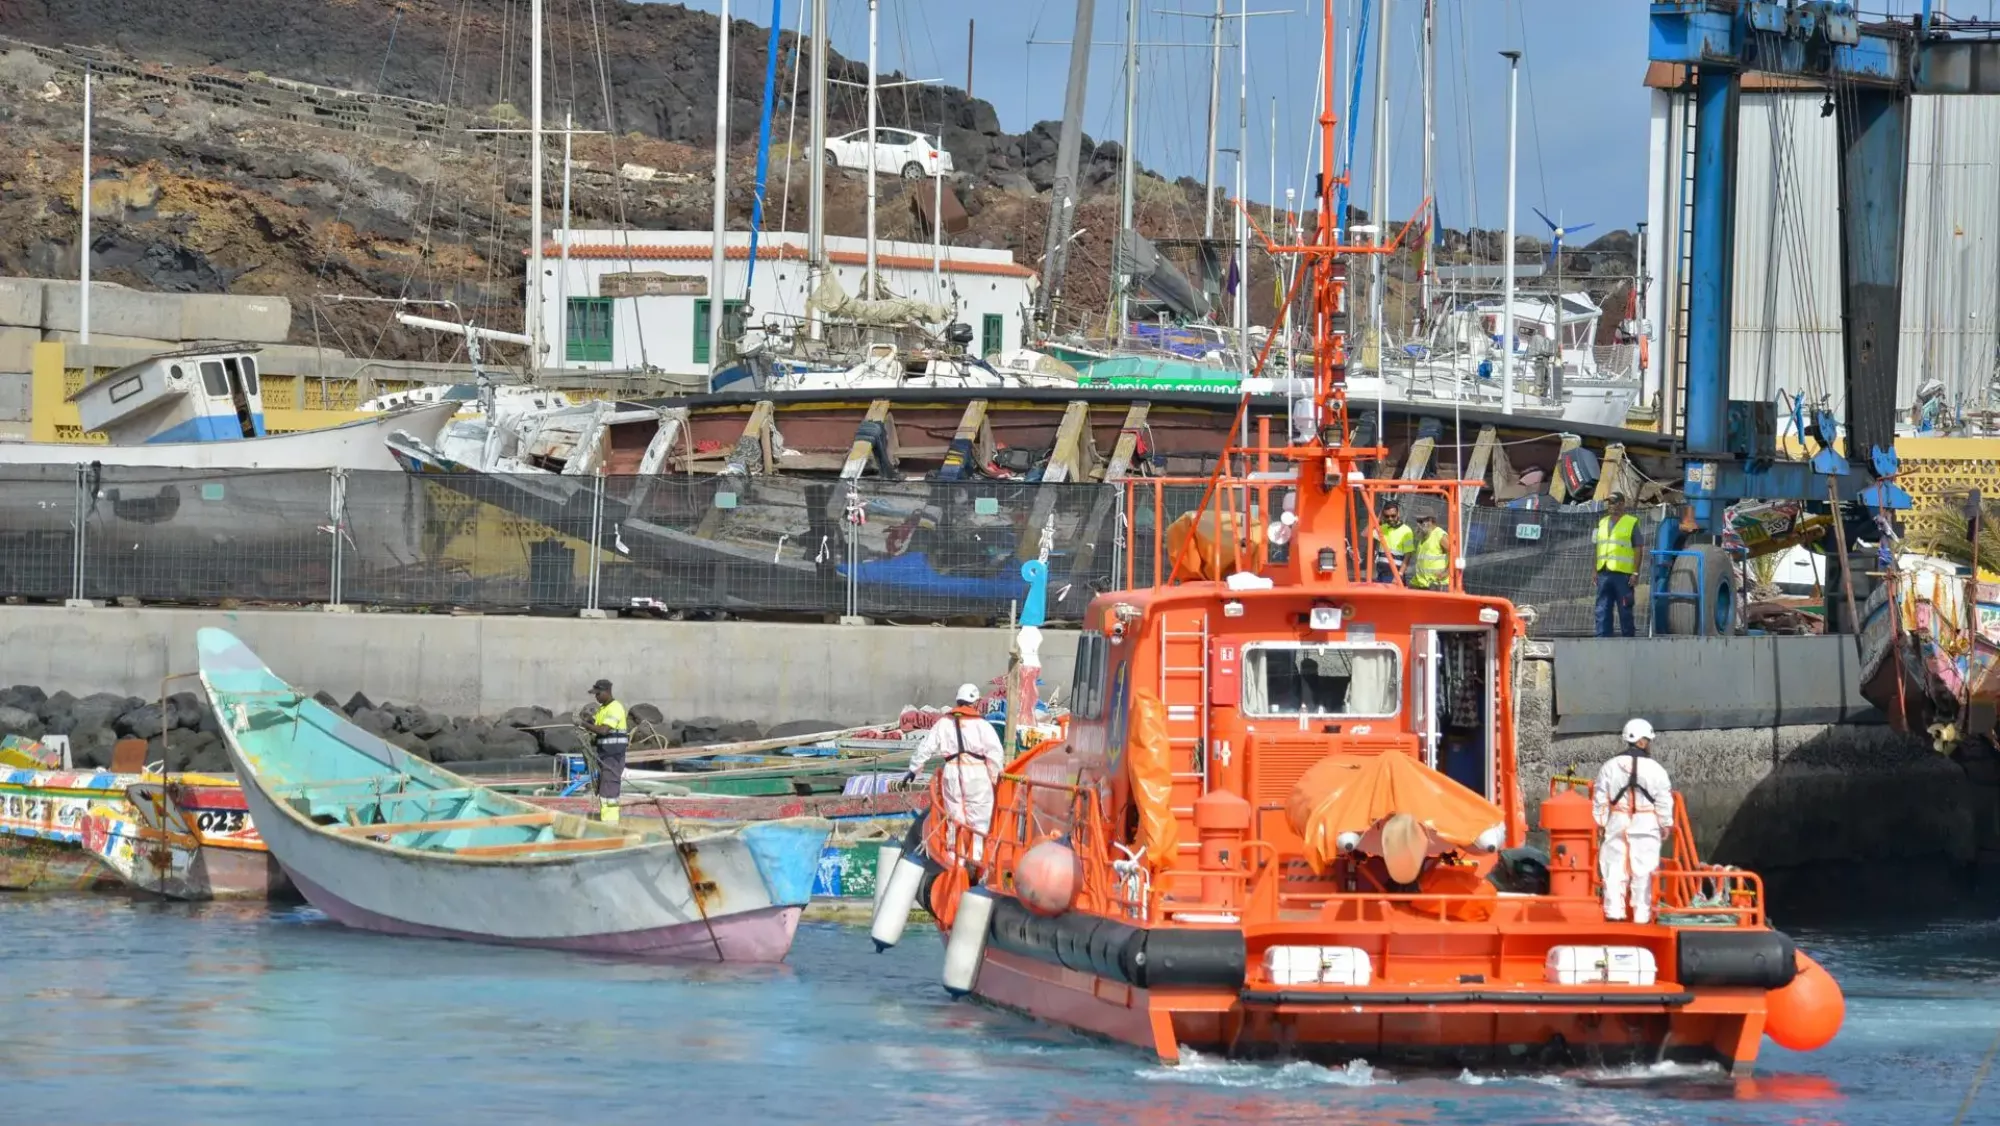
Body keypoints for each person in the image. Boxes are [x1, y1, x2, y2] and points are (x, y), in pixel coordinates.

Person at [904, 683, 1004, 866]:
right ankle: (976, 858)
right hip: (976, 772)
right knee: (979, 817)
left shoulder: (943, 723)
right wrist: (995, 777)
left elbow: (926, 747)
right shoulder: (982, 725)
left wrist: (914, 769)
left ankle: (954, 858)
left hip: (951, 771)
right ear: (975, 702)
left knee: (954, 816)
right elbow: (995, 754)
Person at [1592, 718, 1675, 924]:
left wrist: (1601, 823)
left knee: (1613, 868)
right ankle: (1641, 917)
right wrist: (1666, 823)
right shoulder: (1656, 769)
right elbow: (1664, 799)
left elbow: (1600, 798)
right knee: (1644, 871)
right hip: (1646, 822)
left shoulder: (1610, 766)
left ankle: (1614, 914)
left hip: (1617, 820)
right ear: (1642, 741)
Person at [580, 678, 630, 824]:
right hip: (604, 757)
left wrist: (582, 724)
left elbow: (603, 730)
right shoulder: (603, 710)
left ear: (607, 692)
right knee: (604, 792)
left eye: (598, 693)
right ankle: (606, 820)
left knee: (609, 793)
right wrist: (588, 723)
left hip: (613, 758)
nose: (596, 697)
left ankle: (610, 823)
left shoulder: (615, 708)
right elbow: (597, 732)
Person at [1594, 493, 1643, 637]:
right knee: (1602, 608)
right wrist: (1594, 571)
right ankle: (1602, 640)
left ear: (1622, 504)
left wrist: (1635, 573)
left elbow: (1638, 549)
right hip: (1604, 572)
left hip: (1623, 575)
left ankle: (1628, 639)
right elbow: (1596, 548)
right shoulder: (1602, 523)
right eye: (1609, 503)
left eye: (1614, 503)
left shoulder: (1631, 522)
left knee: (1625, 608)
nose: (1611, 506)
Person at [1408, 512, 1450, 590]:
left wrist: (1446, 573)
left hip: (1436, 584)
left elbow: (1455, 555)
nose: (1418, 524)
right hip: (1420, 583)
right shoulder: (1424, 535)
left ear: (1430, 520)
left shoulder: (1440, 535)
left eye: (1421, 521)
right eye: (1417, 521)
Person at [1377, 501, 1415, 583]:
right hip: (1381, 573)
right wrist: (1378, 518)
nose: (1390, 518)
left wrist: (1400, 574)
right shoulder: (1382, 528)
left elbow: (1408, 555)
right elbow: (1365, 534)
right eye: (1387, 516)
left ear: (1398, 514)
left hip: (1394, 575)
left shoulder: (1406, 531)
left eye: (1393, 516)